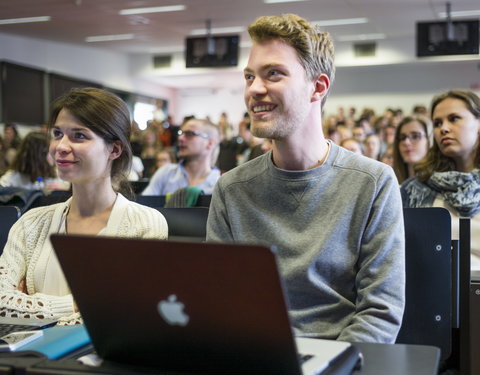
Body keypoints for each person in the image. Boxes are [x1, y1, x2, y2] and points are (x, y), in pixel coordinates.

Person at [207, 14, 405, 343]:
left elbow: (379, 313)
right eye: (249, 76)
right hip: (254, 356)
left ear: (318, 87)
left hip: (339, 359)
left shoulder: (373, 183)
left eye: (274, 74)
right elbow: (219, 301)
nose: (254, 89)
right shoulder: (231, 189)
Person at [0, 87, 168, 324]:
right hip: (30, 357)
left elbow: (126, 313)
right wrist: (77, 304)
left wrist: (30, 306)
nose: (61, 146)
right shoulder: (31, 223)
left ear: (114, 149)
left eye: (79, 136)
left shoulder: (145, 224)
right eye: (58, 133)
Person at [401, 89, 480, 270]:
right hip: (434, 293)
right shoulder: (413, 190)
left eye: (454, 119)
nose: (443, 128)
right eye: (437, 123)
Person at [142, 118, 221, 195]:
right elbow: (143, 205)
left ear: (210, 143)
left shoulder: (219, 184)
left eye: (189, 134)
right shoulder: (166, 173)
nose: (180, 138)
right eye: (181, 133)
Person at [0, 131, 68, 190]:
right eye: (49, 151)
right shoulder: (13, 177)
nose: (54, 155)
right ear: (39, 155)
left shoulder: (57, 174)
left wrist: (62, 191)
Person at [392, 116, 431, 184]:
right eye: (402, 138)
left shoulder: (441, 184)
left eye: (415, 136)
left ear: (429, 140)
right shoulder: (392, 181)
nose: (406, 142)